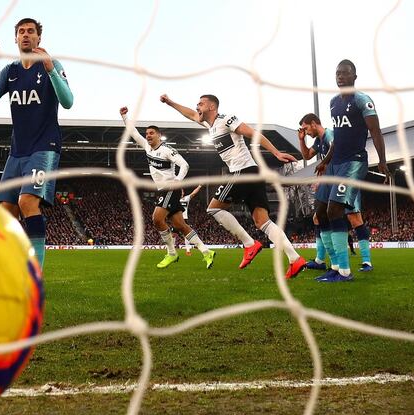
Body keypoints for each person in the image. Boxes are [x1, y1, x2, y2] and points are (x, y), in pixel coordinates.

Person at [160, 93, 307, 279]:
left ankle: (249, 244)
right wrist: (171, 102)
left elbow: (253, 134)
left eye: (201, 104)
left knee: (213, 209)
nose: (197, 107)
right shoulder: (210, 125)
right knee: (263, 222)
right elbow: (190, 114)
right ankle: (295, 259)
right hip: (252, 173)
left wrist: (276, 153)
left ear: (212, 107)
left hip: (242, 172)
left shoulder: (226, 119)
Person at [0, 17, 73, 270]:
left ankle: (36, 272)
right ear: (16, 38)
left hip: (44, 147)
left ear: (39, 38)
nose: (26, 35)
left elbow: (68, 101)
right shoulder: (10, 71)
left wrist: (52, 69)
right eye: (21, 31)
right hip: (17, 151)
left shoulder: (50, 65)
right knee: (7, 209)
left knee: (26, 202)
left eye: (31, 31)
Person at [314, 59, 389, 282]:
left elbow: (375, 131)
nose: (340, 77)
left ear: (354, 77)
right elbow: (337, 137)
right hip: (335, 163)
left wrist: (382, 161)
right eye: (337, 73)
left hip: (353, 162)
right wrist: (326, 160)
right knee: (320, 212)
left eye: (345, 73)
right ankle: (335, 266)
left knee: (335, 210)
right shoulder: (333, 102)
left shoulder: (362, 100)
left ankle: (345, 271)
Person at [120, 106, 215, 269]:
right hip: (162, 190)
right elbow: (133, 132)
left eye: (151, 133)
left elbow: (184, 165)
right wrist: (124, 116)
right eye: (147, 133)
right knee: (180, 225)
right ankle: (206, 251)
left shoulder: (167, 150)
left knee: (157, 219)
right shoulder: (147, 147)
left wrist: (178, 180)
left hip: (171, 189)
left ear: (158, 135)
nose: (147, 135)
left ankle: (171, 254)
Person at [297, 113, 335, 271]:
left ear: (313, 123)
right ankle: (322, 260)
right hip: (327, 181)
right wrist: (301, 139)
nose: (306, 132)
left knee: (329, 219)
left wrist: (324, 164)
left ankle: (336, 264)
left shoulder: (329, 134)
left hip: (337, 180)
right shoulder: (318, 141)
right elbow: (306, 155)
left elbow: (335, 146)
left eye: (306, 128)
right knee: (317, 218)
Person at [179, 185, 203, 255]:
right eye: (180, 191)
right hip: (176, 219)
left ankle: (188, 250)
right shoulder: (174, 199)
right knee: (173, 235)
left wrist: (199, 186)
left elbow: (193, 193)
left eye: (182, 191)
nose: (182, 192)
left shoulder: (186, 199)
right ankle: (171, 251)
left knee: (187, 234)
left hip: (184, 219)